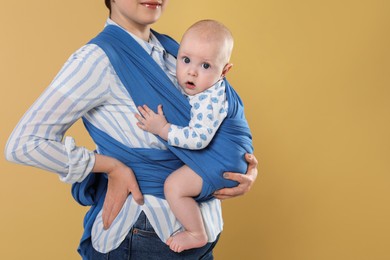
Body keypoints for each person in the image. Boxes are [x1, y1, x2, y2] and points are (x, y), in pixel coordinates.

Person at [5, 0, 258, 259]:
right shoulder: (96, 60)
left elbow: (217, 122)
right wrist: (111, 166)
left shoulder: (175, 50)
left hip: (204, 229)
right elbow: (25, 144)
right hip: (148, 232)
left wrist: (240, 167)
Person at [135, 19, 253, 253]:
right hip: (229, 158)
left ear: (225, 71)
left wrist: (162, 129)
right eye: (186, 60)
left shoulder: (209, 99)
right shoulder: (208, 87)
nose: (191, 71)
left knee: (174, 187)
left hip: (225, 162)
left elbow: (198, 138)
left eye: (205, 66)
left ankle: (196, 233)